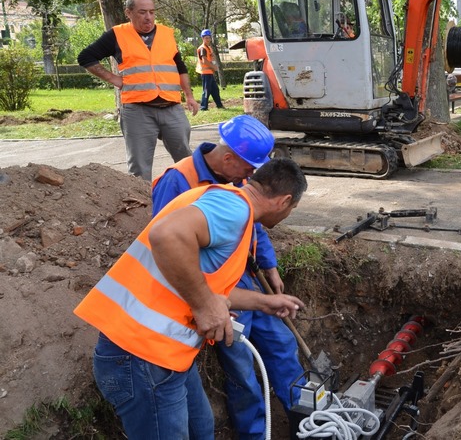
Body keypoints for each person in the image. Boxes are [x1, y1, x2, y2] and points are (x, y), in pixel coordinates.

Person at [74, 157, 308, 439]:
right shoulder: (233, 209)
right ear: (283, 201)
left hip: (166, 355)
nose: (288, 214)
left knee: (202, 428)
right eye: (292, 208)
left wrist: (263, 302)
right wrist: (205, 305)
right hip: (139, 356)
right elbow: (167, 235)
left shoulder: (229, 205)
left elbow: (206, 283)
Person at [152, 115, 305, 440]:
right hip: (206, 288)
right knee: (241, 364)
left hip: (240, 279)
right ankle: (254, 433)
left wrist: (269, 266)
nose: (253, 177)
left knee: (281, 342)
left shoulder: (237, 179)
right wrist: (203, 300)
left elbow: (256, 224)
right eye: (250, 169)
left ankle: (305, 418)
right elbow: (166, 244)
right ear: (228, 158)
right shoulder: (179, 179)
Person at [77, 0, 200, 182]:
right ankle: (142, 208)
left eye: (152, 12)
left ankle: (195, 198)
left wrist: (189, 96)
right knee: (139, 168)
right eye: (142, 12)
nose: (148, 17)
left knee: (186, 159)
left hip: (171, 107)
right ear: (129, 12)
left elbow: (180, 67)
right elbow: (85, 57)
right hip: (137, 110)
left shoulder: (167, 34)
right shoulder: (117, 35)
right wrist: (113, 79)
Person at [196, 29, 225, 110]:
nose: (208, 39)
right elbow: (204, 60)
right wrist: (213, 67)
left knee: (215, 90)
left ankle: (219, 105)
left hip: (209, 73)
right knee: (206, 91)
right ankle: (203, 107)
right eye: (206, 38)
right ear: (202, 38)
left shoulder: (207, 48)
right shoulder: (203, 48)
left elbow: (210, 59)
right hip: (206, 73)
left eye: (209, 37)